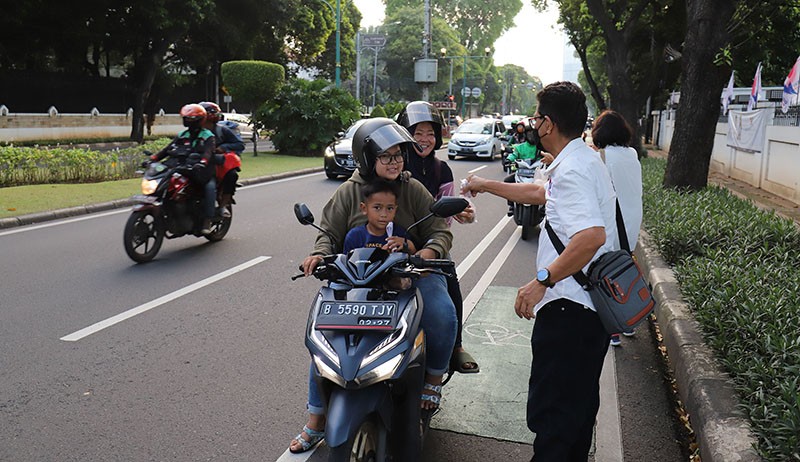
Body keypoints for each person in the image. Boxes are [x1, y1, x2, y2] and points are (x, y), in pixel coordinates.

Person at [461, 81, 618, 462]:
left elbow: (591, 236)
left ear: (548, 123)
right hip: (590, 311)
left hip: (570, 311)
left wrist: (542, 281)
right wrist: (485, 185)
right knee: (577, 412)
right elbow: (538, 193)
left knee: (554, 416)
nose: (533, 124)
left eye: (536, 118)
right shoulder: (581, 160)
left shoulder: (573, 170)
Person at [289, 118, 458, 453]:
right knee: (327, 341)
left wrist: (425, 254)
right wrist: (318, 255)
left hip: (410, 274)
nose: (395, 162)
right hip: (357, 278)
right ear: (367, 159)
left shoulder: (412, 188)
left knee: (441, 314)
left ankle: (433, 381)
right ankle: (316, 420)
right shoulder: (348, 191)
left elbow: (440, 231)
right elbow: (328, 234)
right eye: (386, 156)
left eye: (399, 155)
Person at [397, 100, 480, 374]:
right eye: (417, 133)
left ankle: (456, 347)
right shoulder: (394, 164)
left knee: (451, 286)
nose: (424, 139)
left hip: (430, 245)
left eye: (430, 133)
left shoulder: (441, 169)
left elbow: (445, 216)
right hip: (391, 244)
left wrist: (461, 212)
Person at [590, 110, 643, 347]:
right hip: (631, 220)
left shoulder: (602, 157)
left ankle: (612, 329)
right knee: (624, 268)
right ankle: (629, 322)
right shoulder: (632, 153)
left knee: (607, 274)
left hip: (613, 222)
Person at [150, 103, 217, 234]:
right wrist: (153, 158)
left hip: (201, 170)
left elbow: (208, 152)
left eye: (192, 119)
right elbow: (167, 149)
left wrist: (203, 162)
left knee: (209, 188)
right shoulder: (182, 135)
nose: (188, 121)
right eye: (186, 118)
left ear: (200, 119)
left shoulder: (207, 135)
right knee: (167, 185)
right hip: (182, 168)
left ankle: (207, 220)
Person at [342, 179, 416, 254]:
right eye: (377, 208)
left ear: (395, 210)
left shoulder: (401, 235)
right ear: (364, 208)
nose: (384, 214)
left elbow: (411, 256)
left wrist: (409, 246)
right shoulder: (355, 236)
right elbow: (348, 260)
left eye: (390, 208)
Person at [199, 101, 243, 218]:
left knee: (231, 175)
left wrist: (223, 148)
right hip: (198, 162)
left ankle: (223, 205)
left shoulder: (222, 130)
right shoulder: (193, 132)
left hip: (219, 164)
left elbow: (239, 144)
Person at [503, 117, 555, 216]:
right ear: (525, 135)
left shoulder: (542, 147)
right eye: (529, 133)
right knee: (507, 181)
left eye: (533, 133)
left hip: (538, 174)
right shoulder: (519, 147)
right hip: (522, 172)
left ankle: (545, 207)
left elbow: (549, 156)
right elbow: (514, 155)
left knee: (550, 185)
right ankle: (511, 205)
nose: (531, 136)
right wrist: (509, 160)